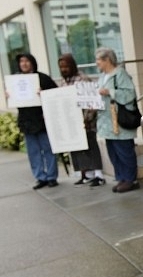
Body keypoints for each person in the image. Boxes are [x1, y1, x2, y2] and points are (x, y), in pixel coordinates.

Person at [10, 53, 59, 189]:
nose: (24, 64)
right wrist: (10, 95)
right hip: (26, 121)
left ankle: (51, 177)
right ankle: (40, 177)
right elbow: (13, 99)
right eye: (21, 61)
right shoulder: (15, 80)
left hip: (42, 120)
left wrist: (44, 94)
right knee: (33, 152)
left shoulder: (42, 78)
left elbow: (56, 94)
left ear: (32, 63)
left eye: (26, 61)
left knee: (48, 149)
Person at [95, 47, 140, 193]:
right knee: (113, 152)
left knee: (124, 151)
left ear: (107, 60)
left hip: (119, 121)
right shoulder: (102, 76)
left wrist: (110, 92)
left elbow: (129, 94)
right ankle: (121, 177)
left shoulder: (120, 74)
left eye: (99, 60)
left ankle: (130, 179)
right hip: (106, 121)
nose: (97, 63)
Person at [58, 53, 106, 187]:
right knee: (77, 148)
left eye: (66, 66)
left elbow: (91, 101)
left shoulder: (82, 79)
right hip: (72, 122)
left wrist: (87, 119)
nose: (64, 69)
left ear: (72, 65)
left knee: (91, 146)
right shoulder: (63, 81)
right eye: (61, 67)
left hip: (86, 121)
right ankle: (86, 174)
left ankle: (98, 175)